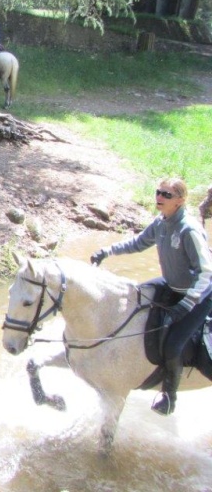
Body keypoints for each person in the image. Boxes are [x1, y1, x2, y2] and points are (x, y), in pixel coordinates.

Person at [90, 177, 212, 415]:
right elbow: (138, 243)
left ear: (180, 201)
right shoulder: (161, 223)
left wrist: (186, 304)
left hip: (199, 295)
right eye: (158, 192)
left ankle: (169, 397)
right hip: (172, 284)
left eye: (167, 195)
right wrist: (106, 251)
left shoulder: (189, 230)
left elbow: (206, 272)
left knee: (174, 344)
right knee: (135, 298)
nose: (160, 197)